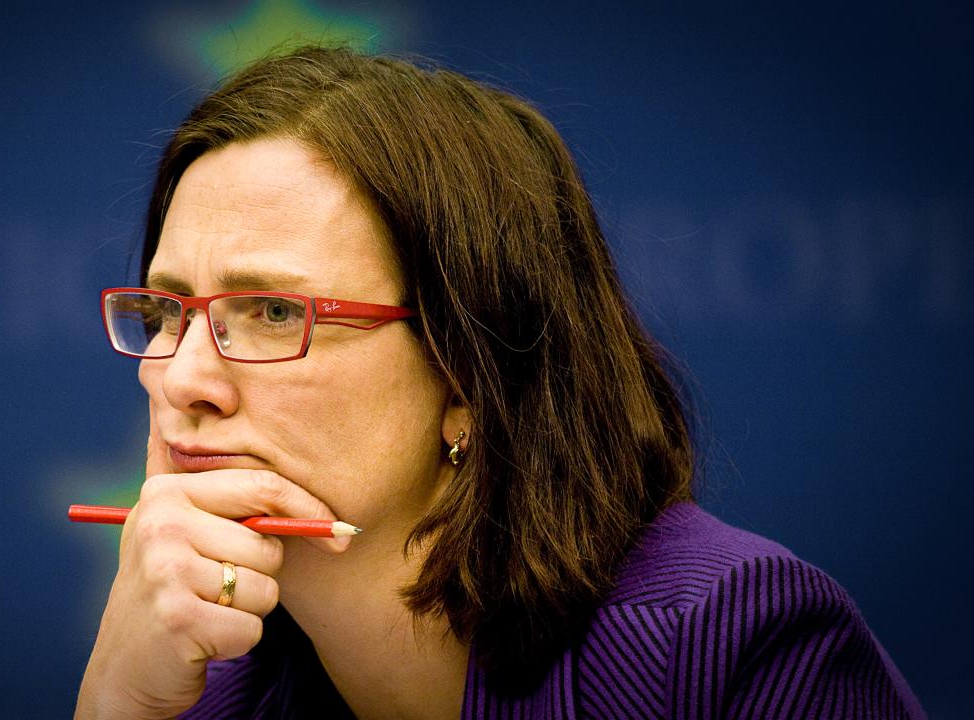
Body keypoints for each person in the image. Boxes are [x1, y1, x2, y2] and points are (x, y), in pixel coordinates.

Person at [74, 46, 924, 719]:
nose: (181, 380)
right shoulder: (196, 678)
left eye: (271, 312)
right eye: (168, 310)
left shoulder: (732, 645)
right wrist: (115, 704)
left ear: (469, 376)